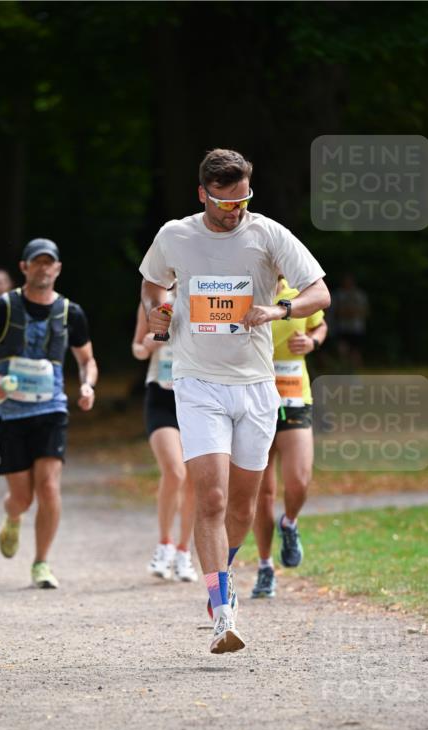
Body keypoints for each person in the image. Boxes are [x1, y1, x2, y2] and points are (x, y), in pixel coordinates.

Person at [140, 148, 329, 653]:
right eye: (225, 203)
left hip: (257, 387)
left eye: (243, 199)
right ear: (202, 194)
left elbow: (319, 293)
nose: (235, 210)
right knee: (212, 498)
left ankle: (222, 568)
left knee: (243, 506)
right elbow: (153, 283)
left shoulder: (268, 234)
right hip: (198, 383)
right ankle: (221, 608)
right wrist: (158, 311)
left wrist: (279, 309)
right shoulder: (175, 235)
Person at [0, 238, 98, 589]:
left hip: (51, 409)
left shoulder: (70, 312)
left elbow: (87, 360)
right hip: (11, 413)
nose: (43, 268)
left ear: (58, 269)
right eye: (37, 262)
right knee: (22, 497)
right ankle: (12, 516)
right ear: (24, 267)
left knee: (48, 487)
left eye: (49, 262)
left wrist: (87, 385)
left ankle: (41, 562)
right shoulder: (1, 307)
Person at [251, 276, 327, 598]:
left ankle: (290, 523)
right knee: (263, 491)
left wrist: (312, 343)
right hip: (255, 399)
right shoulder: (248, 293)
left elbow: (319, 326)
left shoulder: (300, 295)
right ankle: (265, 567)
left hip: (294, 396)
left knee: (299, 480)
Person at [131, 300, 198, 583]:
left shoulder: (206, 290)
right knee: (175, 471)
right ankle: (165, 544)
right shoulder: (155, 298)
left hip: (197, 396)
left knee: (194, 479)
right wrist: (147, 345)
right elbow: (137, 349)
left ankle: (184, 551)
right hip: (161, 395)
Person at [332, 273, 369, 368]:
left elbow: (365, 311)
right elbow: (335, 311)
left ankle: (356, 368)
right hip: (342, 327)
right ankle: (344, 367)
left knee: (356, 350)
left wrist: (352, 312)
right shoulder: (338, 295)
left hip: (357, 327)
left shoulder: (359, 295)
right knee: (342, 348)